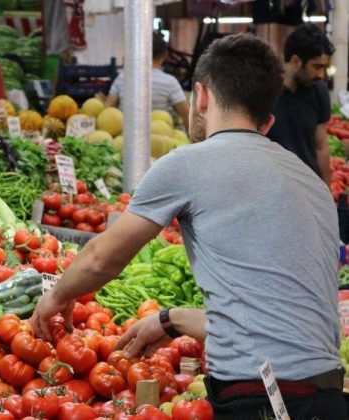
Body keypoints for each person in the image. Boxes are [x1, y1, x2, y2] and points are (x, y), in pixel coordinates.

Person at [30, 33, 346, 419]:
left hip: (258, 397)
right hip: (328, 395)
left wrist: (55, 298)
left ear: (201, 96)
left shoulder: (187, 164)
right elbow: (273, 321)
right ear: (268, 120)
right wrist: (170, 319)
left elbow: (101, 260)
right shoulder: (312, 183)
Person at [267, 23, 335, 185]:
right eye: (317, 67)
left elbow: (321, 147)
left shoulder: (319, 91)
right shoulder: (266, 92)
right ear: (296, 61)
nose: (321, 75)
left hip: (308, 186)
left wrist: (326, 193)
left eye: (324, 68)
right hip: (272, 186)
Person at [104, 32, 189, 130]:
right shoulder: (170, 82)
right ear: (165, 55)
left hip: (127, 137)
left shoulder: (122, 78)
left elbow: (108, 110)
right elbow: (186, 115)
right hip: (160, 137)